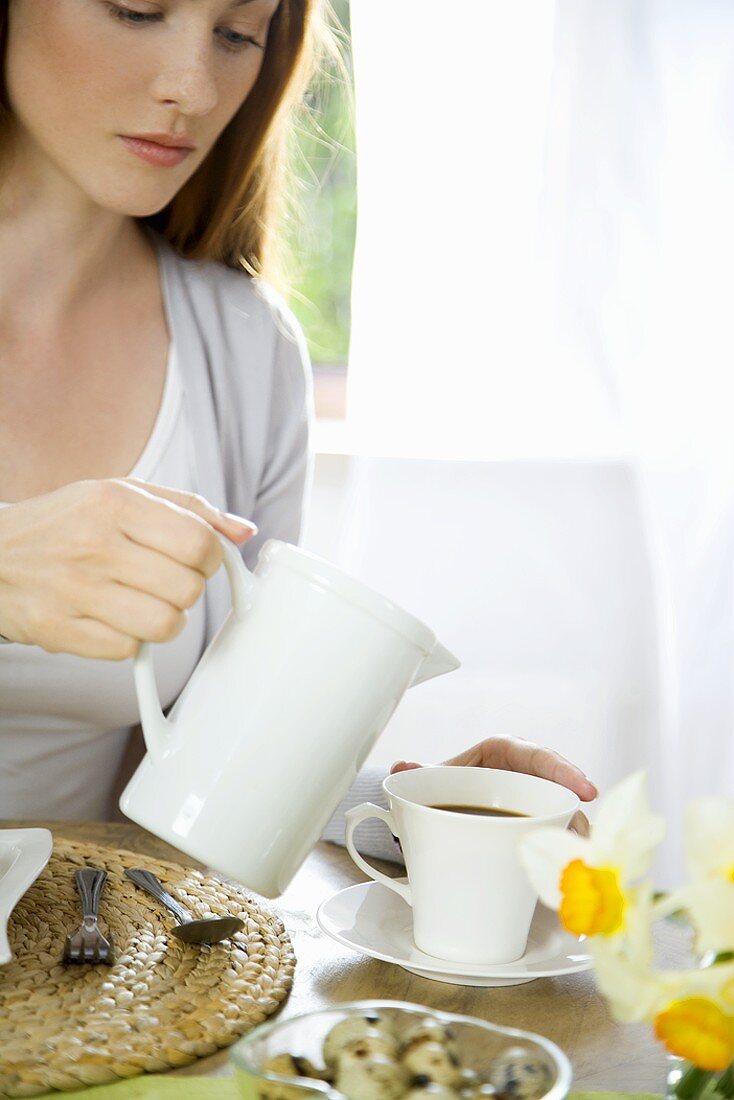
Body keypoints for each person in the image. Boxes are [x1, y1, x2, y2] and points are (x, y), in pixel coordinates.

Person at [0, 0, 595, 849]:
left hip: (82, 955)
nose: (195, 88)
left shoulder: (246, 350)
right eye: (137, 10)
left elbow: (193, 782)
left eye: (239, 34)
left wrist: (419, 818)